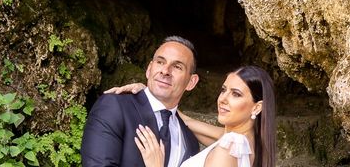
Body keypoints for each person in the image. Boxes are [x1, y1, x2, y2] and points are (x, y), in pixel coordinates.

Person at [110, 65, 276, 167]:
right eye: (224, 90)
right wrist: (149, 96)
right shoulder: (246, 142)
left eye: (236, 94)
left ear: (257, 107)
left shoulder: (229, 148)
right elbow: (187, 121)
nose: (223, 99)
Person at [80, 36, 201, 167]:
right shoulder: (114, 107)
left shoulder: (190, 142)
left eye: (177, 67)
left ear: (191, 82)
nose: (165, 71)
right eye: (160, 62)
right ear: (149, 69)